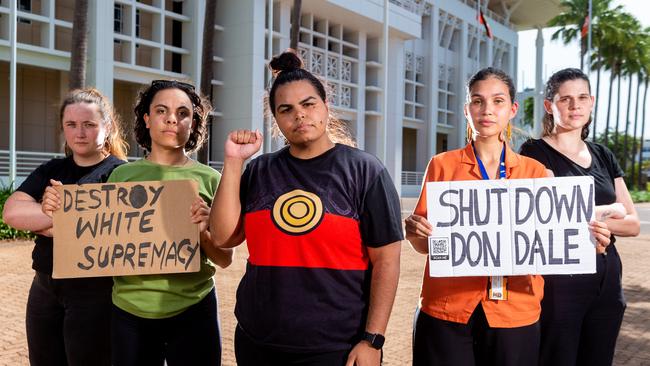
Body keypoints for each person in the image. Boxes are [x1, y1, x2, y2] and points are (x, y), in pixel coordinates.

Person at [405, 67, 613, 366]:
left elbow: (552, 243)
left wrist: (590, 239)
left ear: (512, 109)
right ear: (467, 109)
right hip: (447, 309)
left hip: (515, 309)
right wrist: (415, 232)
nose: (487, 110)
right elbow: (425, 246)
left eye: (498, 101)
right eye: (478, 101)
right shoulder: (441, 165)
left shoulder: (534, 172)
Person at [209, 51, 403, 366]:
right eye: (286, 109)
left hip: (335, 347)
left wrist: (373, 340)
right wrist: (233, 161)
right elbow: (223, 237)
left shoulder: (364, 170)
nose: (299, 115)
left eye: (308, 104)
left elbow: (387, 262)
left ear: (326, 106)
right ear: (276, 119)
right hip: (258, 342)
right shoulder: (260, 171)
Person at [106, 79, 233, 366]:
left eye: (183, 113)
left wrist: (202, 232)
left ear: (193, 124)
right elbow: (101, 242)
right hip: (129, 310)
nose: (172, 118)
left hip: (194, 308)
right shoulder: (121, 177)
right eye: (161, 111)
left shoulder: (211, 180)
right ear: (147, 119)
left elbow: (225, 259)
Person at [519, 68, 640, 366]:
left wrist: (588, 217)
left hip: (607, 276)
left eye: (582, 97)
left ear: (592, 101)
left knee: (599, 357)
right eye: (566, 99)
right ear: (550, 105)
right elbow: (547, 216)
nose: (575, 106)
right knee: (558, 357)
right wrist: (607, 212)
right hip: (561, 279)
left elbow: (633, 223)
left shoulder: (603, 154)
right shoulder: (534, 153)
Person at [2, 88, 128, 366]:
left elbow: (115, 231)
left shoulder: (121, 173)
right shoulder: (52, 170)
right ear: (63, 128)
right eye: (71, 124)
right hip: (45, 288)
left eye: (89, 124)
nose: (79, 133)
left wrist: (46, 219)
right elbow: (12, 212)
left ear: (107, 128)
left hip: (95, 293)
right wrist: (72, 220)